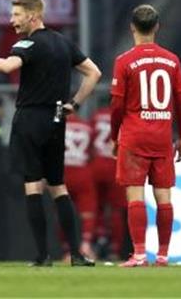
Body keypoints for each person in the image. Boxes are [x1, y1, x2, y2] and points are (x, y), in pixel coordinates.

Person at [0, 0, 102, 267]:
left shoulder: (28, 45)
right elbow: (94, 73)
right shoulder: (64, 43)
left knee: (33, 186)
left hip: (31, 120)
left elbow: (8, 67)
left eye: (17, 15)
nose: (12, 21)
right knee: (58, 186)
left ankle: (43, 255)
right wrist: (75, 104)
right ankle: (77, 254)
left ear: (33, 16)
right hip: (57, 119)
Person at [109, 4, 181, 268]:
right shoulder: (172, 60)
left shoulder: (124, 61)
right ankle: (163, 255)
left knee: (136, 196)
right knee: (164, 197)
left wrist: (114, 136)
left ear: (132, 27)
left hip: (134, 136)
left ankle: (140, 254)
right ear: (156, 27)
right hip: (163, 136)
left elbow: (117, 105)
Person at [90, 103, 126, 260]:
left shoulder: (97, 115)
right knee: (117, 210)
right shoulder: (124, 115)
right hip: (115, 164)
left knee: (96, 206)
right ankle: (114, 250)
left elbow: (89, 139)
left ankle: (99, 238)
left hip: (96, 164)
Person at [62, 110, 98, 263]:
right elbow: (93, 151)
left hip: (63, 171)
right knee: (88, 212)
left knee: (62, 210)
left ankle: (67, 250)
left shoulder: (58, 125)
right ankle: (85, 246)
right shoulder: (86, 126)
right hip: (82, 170)